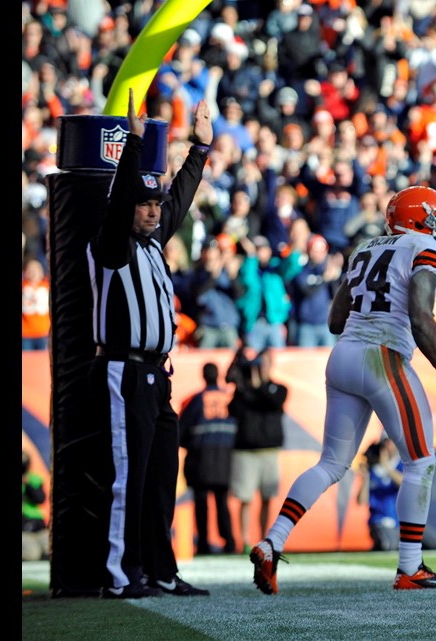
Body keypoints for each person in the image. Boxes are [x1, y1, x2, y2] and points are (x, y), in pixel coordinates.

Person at [250, 186, 436, 594]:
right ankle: (410, 567)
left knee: (330, 464)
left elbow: (334, 319)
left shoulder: (365, 248)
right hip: (382, 355)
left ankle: (271, 541)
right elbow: (420, 314)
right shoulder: (423, 247)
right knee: (420, 461)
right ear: (418, 219)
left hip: (344, 353)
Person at [86, 89, 210, 598]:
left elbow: (180, 196)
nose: (155, 212)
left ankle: (160, 569)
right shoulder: (111, 243)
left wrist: (199, 149)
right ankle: (119, 574)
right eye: (145, 204)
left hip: (158, 375)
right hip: (124, 369)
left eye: (156, 204)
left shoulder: (155, 244)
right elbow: (117, 207)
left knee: (161, 478)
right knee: (126, 478)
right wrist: (134, 146)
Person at [228, 346, 287, 554]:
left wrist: (258, 385)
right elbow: (232, 410)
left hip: (269, 451)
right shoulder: (243, 391)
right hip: (245, 451)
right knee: (245, 498)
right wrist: (244, 385)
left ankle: (264, 537)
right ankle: (244, 539)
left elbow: (273, 403)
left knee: (266, 498)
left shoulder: (278, 389)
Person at [178, 362, 238, 555]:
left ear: (203, 376)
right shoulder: (229, 397)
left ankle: (203, 543)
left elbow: (181, 430)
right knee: (222, 502)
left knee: (201, 502)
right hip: (224, 456)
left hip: (200, 456)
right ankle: (228, 542)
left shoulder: (195, 399)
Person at [22, 451, 49, 561]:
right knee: (32, 554)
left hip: (39, 527)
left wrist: (28, 484)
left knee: (51, 549)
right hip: (24, 530)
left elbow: (40, 499)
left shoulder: (34, 479)